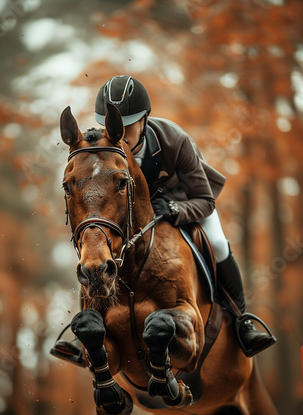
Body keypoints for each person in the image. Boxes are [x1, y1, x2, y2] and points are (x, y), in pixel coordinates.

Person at [94, 75, 276, 357]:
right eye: (109, 124)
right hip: (137, 216)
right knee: (96, 245)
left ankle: (243, 319)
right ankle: (87, 322)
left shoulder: (173, 140)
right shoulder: (103, 150)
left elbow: (205, 200)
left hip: (186, 202)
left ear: (144, 120)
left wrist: (176, 210)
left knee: (217, 243)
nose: (117, 133)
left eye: (125, 125)